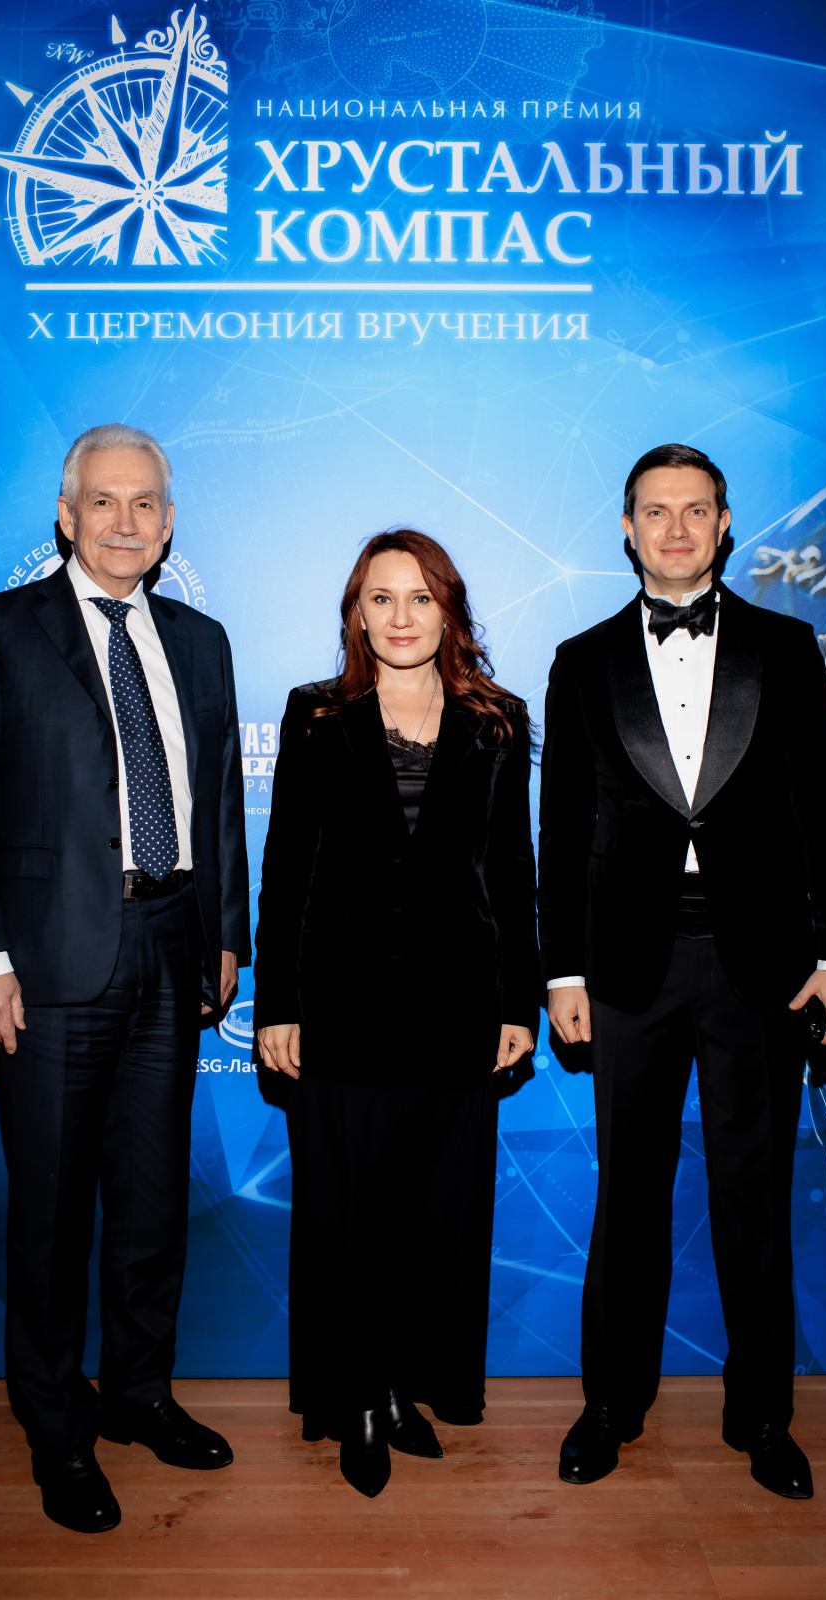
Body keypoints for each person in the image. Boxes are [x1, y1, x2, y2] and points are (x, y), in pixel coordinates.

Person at [0, 424, 250, 1534]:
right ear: (66, 516)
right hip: (46, 960)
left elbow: (219, 798)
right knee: (53, 1215)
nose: (124, 521)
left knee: (153, 1201)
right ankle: (57, 1426)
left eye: (144, 502)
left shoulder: (201, 641)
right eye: (103, 502)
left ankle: (141, 1392)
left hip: (171, 946)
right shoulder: (2, 629)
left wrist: (225, 932)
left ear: (169, 521)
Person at [538, 443, 826, 1501]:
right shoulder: (580, 659)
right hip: (625, 966)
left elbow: (822, 811)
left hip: (761, 964)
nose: (675, 529)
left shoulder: (787, 646)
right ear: (626, 525)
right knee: (626, 1196)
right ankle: (609, 1403)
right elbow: (560, 832)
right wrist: (560, 972)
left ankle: (761, 1414)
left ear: (724, 524)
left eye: (694, 510)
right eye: (655, 511)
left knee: (753, 1196)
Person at [253, 529, 538, 1498]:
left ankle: (409, 1387)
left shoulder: (498, 719)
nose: (401, 615)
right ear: (356, 613)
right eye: (381, 598)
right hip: (340, 1006)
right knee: (346, 1214)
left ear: (447, 610)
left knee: (436, 1214)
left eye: (420, 597)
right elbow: (286, 866)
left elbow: (512, 870)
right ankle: (355, 1399)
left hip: (459, 1007)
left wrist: (518, 1001)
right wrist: (277, 1003)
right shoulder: (315, 713)